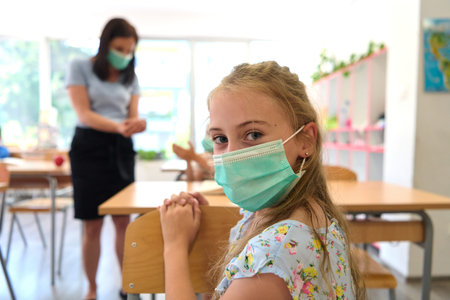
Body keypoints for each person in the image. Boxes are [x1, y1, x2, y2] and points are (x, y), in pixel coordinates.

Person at [159, 61, 366, 299]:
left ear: (306, 140)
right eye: (220, 138)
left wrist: (174, 246)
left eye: (253, 134)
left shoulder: (272, 258)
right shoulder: (290, 215)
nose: (232, 155)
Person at [65, 18, 146, 300]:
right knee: (92, 224)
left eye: (129, 50)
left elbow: (131, 116)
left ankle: (127, 283)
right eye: (119, 48)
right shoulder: (80, 67)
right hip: (89, 148)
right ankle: (92, 288)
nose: (124, 55)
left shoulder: (130, 77)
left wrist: (136, 124)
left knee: (123, 221)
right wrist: (118, 126)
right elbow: (83, 113)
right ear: (105, 45)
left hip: (121, 149)